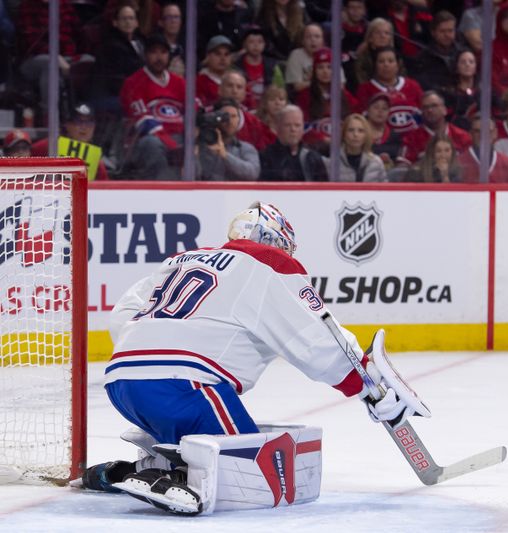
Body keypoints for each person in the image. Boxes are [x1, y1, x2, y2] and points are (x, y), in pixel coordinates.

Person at [79, 201, 422, 515]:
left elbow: (122, 314)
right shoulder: (268, 263)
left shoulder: (182, 260)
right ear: (277, 240)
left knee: (213, 444)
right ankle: (171, 475)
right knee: (252, 472)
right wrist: (365, 384)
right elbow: (314, 334)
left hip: (121, 381)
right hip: (185, 386)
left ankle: (126, 473)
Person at [119, 33, 188, 180]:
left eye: (163, 52)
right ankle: (163, 195)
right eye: (154, 52)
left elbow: (194, 111)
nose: (159, 57)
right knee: (152, 144)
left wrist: (193, 134)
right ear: (145, 55)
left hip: (179, 137)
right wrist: (172, 145)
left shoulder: (179, 82)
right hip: (146, 139)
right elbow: (144, 122)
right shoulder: (133, 83)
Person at [31, 103, 110, 180]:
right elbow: (26, 154)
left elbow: (106, 187)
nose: (84, 127)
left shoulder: (96, 159)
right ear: (67, 124)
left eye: (89, 122)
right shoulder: (52, 145)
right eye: (78, 121)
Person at [355, 46, 423, 135]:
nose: (386, 65)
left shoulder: (413, 86)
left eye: (390, 61)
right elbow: (360, 119)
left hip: (413, 140)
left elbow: (423, 112)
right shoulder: (365, 89)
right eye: (381, 61)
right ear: (375, 65)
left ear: (398, 65)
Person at [259, 105, 328, 181]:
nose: (293, 129)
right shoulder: (265, 157)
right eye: (288, 125)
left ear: (302, 128)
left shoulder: (312, 158)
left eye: (297, 125)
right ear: (277, 127)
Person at [197, 98, 260, 181]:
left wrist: (225, 155)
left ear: (239, 120)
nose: (230, 121)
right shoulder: (202, 146)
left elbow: (253, 173)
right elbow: (193, 175)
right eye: (225, 116)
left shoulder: (246, 148)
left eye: (234, 116)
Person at [400, 90, 470, 164]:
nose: (429, 110)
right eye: (425, 107)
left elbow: (471, 165)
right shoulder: (411, 138)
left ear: (445, 110)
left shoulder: (463, 137)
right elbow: (402, 168)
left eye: (434, 106)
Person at [325, 113, 387, 182]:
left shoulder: (376, 162)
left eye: (360, 131)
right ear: (344, 134)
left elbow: (385, 190)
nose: (355, 134)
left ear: (366, 135)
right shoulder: (332, 163)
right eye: (351, 130)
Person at [457, 115, 508, 183]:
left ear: (495, 133)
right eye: (477, 131)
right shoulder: (459, 162)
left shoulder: (507, 163)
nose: (482, 135)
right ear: (470, 134)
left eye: (487, 131)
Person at [285, 23, 325, 94]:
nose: (313, 40)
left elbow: (341, 85)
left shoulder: (330, 54)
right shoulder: (296, 55)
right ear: (302, 41)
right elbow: (297, 86)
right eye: (308, 37)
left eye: (317, 36)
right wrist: (323, 83)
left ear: (323, 40)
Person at [196, 35, 234, 108]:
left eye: (226, 54)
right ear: (208, 56)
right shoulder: (199, 82)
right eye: (217, 54)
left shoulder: (237, 80)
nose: (223, 58)